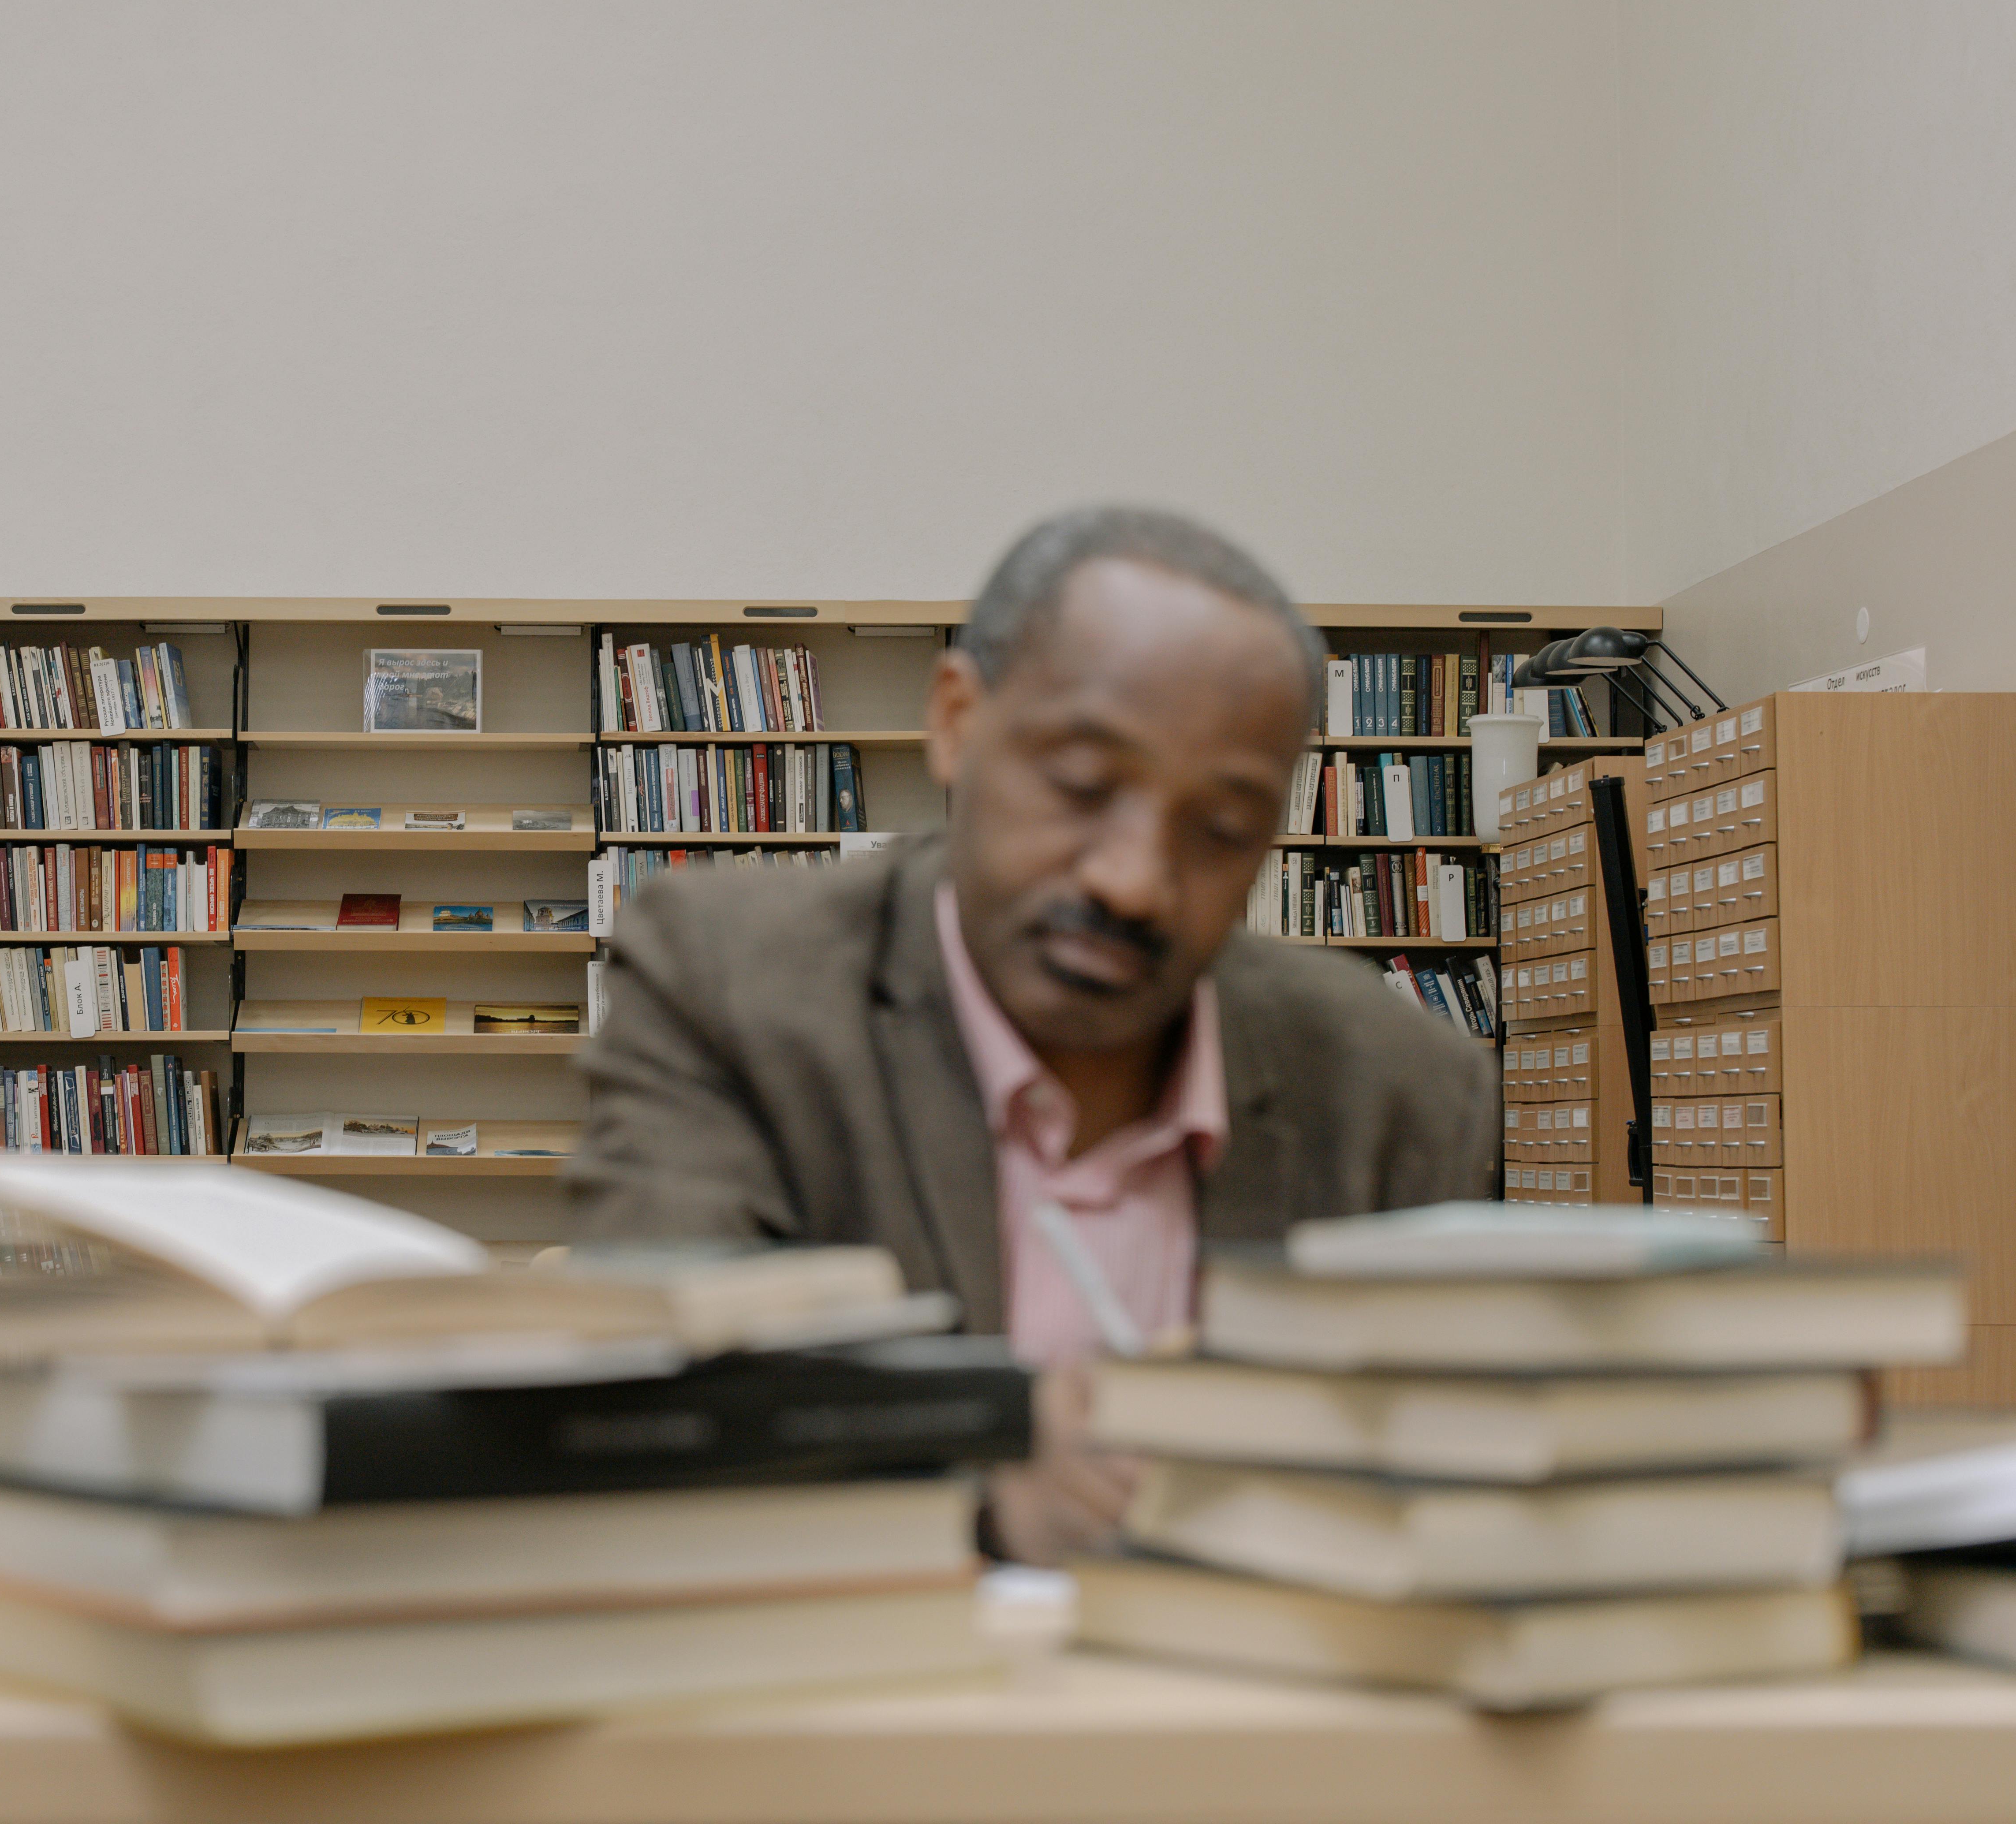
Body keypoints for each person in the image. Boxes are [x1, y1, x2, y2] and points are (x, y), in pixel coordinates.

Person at [565, 505, 1499, 1563]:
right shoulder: (729, 983)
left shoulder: (1400, 1090)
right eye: (1083, 785)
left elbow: (1438, 1490)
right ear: (957, 721)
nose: (1134, 881)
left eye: (1223, 829)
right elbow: (646, 1411)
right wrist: (971, 1476)